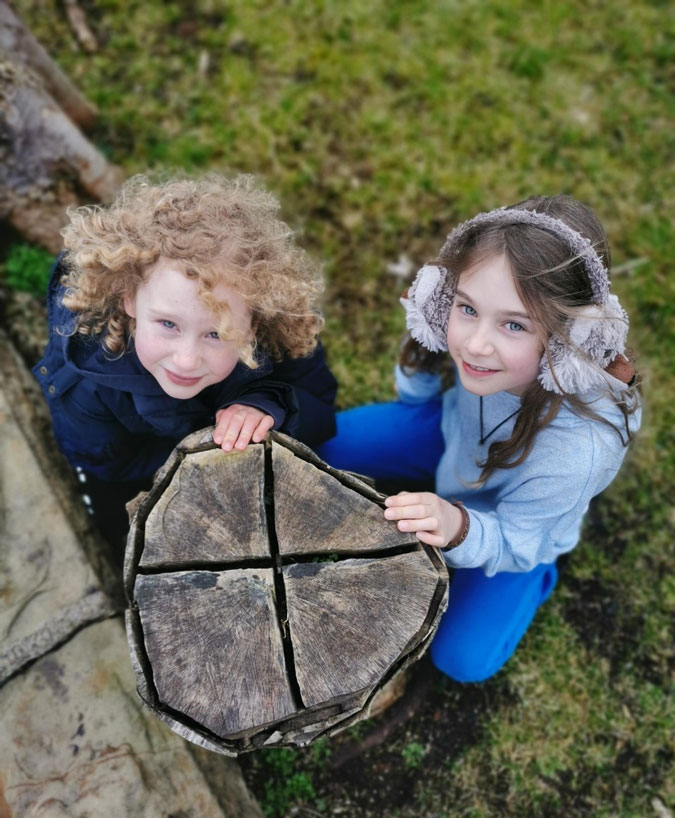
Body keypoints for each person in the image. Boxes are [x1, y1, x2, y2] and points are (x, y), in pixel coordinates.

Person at [319, 195, 641, 683]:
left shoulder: (579, 453)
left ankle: (536, 582)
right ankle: (447, 480)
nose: (474, 344)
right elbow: (418, 393)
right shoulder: (474, 344)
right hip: (451, 433)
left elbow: (515, 541)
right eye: (465, 308)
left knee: (462, 661)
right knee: (326, 444)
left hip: (512, 526)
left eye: (514, 324)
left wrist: (459, 527)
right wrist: (421, 348)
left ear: (569, 341)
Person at [34, 173, 337, 553]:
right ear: (130, 299)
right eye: (167, 324)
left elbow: (320, 404)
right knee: (126, 541)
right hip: (137, 480)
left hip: (239, 478)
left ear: (254, 321)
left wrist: (266, 405)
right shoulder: (86, 385)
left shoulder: (279, 339)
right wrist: (200, 459)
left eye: (215, 333)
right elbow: (105, 466)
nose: (187, 359)